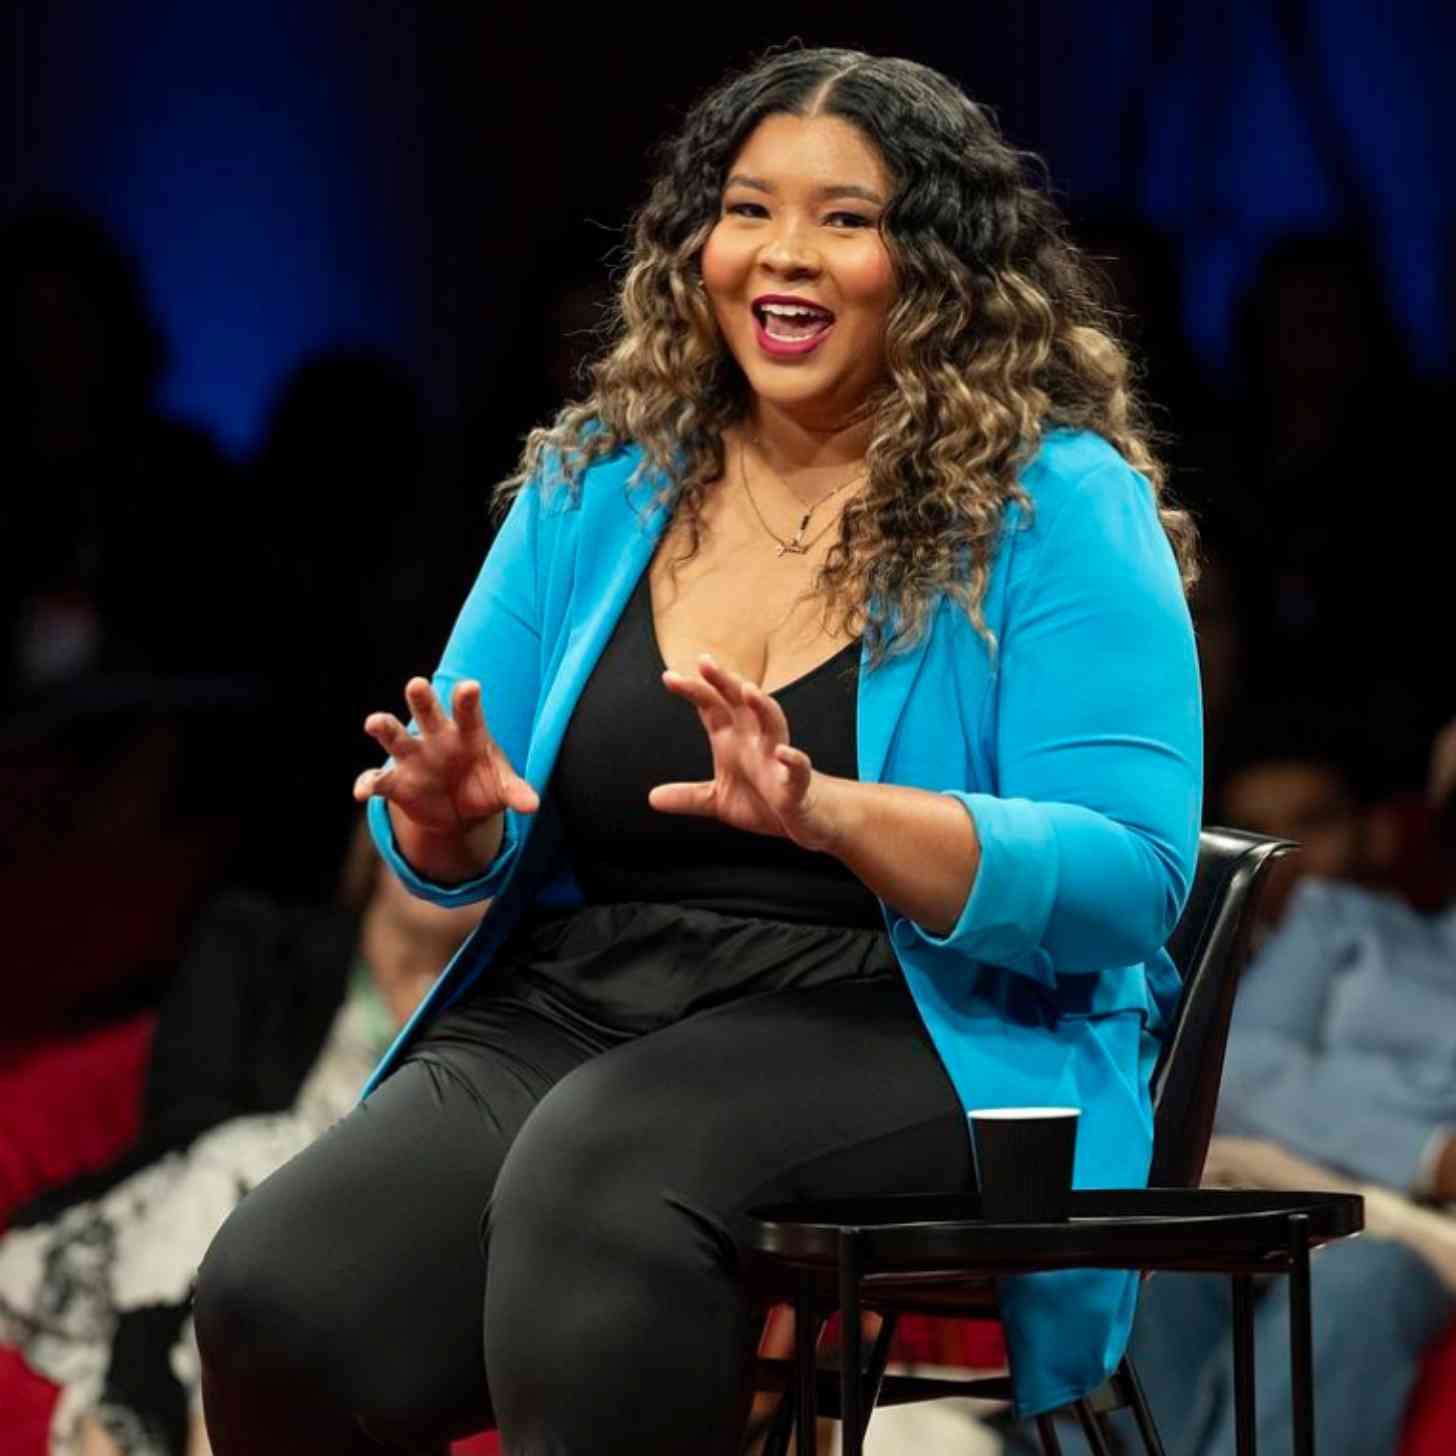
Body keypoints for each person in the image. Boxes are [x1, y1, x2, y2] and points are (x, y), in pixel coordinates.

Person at [193, 44, 1203, 1456]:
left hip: (916, 1015)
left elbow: (1127, 876)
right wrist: (446, 821)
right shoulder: (598, 479)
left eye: (846, 219)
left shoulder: (1054, 500)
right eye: (748, 208)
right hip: (592, 993)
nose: (784, 255)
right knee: (277, 1296)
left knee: (609, 1168)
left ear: (942, 264)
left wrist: (838, 812)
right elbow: (452, 824)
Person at [0, 824, 484, 1456]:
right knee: (259, 1158)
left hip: (350, 1279)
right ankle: (172, 1402)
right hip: (173, 1219)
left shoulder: (492, 1029)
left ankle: (128, 1409)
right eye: (426, 828)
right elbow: (181, 1116)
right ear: (375, 843)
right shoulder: (258, 942)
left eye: (473, 840)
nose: (442, 856)